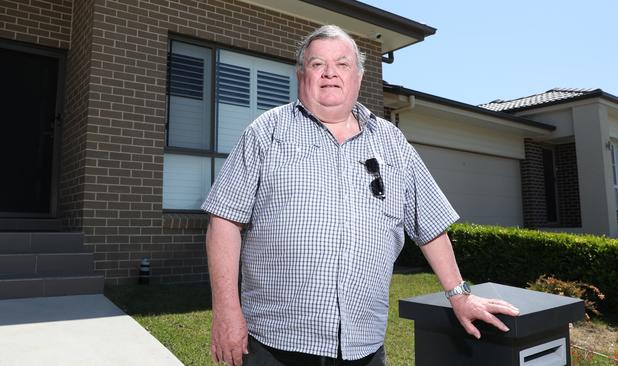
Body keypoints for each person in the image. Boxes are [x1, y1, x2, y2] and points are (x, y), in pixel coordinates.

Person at [202, 25, 519, 366]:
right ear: (300, 74)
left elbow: (430, 224)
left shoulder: (392, 142)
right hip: (276, 343)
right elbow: (223, 221)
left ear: (359, 76)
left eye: (342, 64)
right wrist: (225, 312)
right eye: (317, 64)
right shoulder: (266, 132)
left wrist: (459, 295)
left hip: (363, 346)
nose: (329, 74)